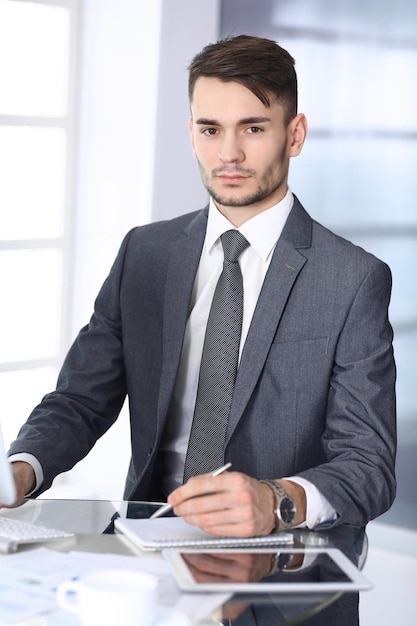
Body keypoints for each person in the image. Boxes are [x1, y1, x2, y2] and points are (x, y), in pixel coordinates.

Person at [4, 35, 396, 540]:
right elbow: (80, 400)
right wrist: (20, 471)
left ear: (294, 135)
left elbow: (368, 465)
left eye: (253, 128)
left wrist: (277, 499)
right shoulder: (144, 253)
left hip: (282, 572)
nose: (228, 153)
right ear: (192, 134)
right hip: (147, 555)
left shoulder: (352, 279)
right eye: (211, 129)